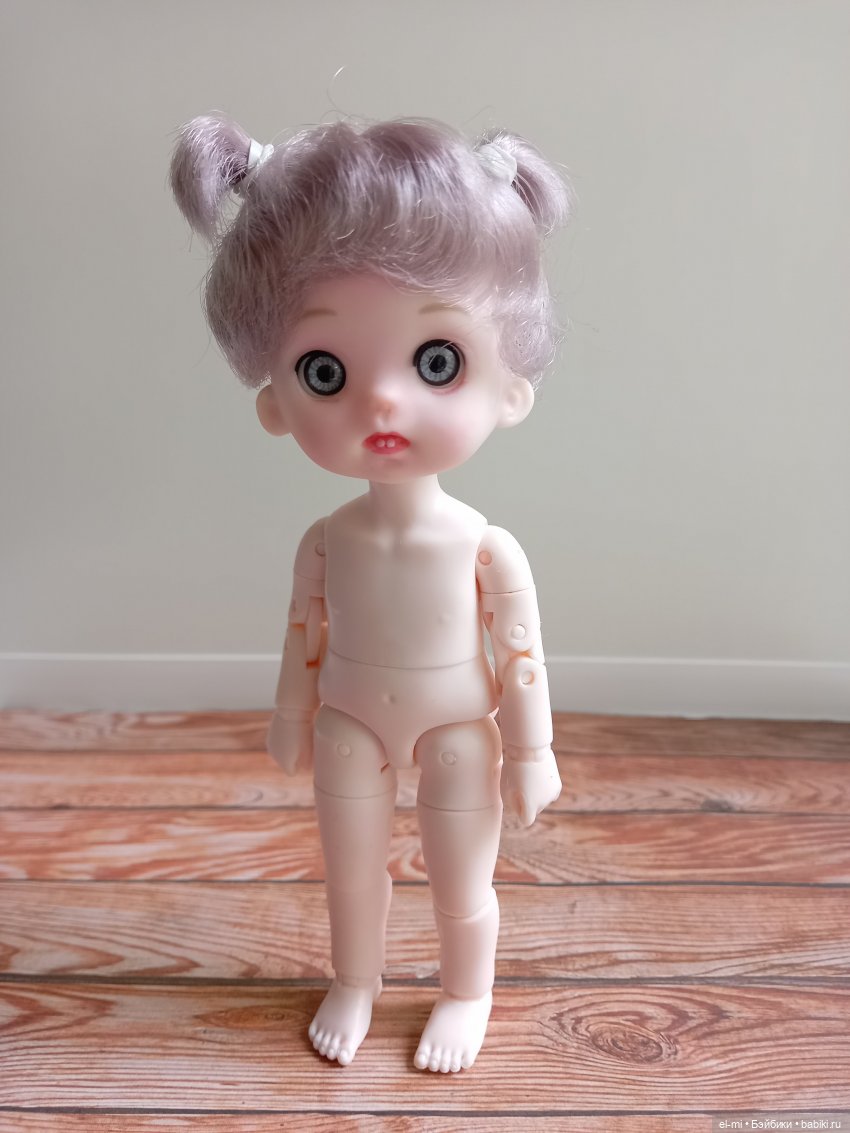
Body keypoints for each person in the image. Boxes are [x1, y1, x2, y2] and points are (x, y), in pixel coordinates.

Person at [171, 112, 571, 1072]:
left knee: (461, 881)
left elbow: (520, 656)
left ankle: (466, 991)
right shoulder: (328, 539)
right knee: (351, 875)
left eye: (438, 361)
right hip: (348, 719)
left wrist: (533, 751)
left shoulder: (485, 547)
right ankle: (355, 979)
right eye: (327, 372)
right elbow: (304, 632)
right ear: (275, 400)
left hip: (458, 726)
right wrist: (288, 713)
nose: (384, 400)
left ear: (510, 384)